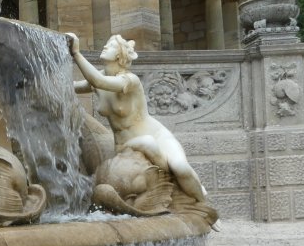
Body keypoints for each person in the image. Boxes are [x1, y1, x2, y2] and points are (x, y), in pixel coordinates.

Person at [68, 32, 207, 202]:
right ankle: (166, 170)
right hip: (125, 146)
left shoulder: (130, 80)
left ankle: (204, 205)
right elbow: (73, 86)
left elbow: (98, 81)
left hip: (155, 134)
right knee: (145, 146)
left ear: (120, 55)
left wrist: (76, 53)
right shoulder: (98, 77)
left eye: (110, 45)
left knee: (181, 167)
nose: (105, 47)